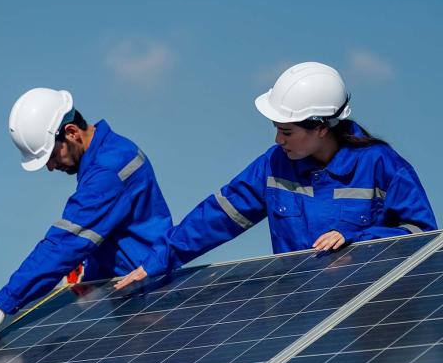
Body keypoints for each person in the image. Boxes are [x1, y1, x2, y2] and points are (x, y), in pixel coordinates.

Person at [115, 62, 437, 290]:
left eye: (286, 131)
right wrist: (158, 260)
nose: (278, 140)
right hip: (298, 311)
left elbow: (421, 236)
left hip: (367, 318)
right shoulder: (274, 165)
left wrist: (358, 241)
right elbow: (217, 217)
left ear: (322, 127)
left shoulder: (381, 165)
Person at [0, 88, 172, 357]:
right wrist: (89, 276)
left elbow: (66, 242)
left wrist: (4, 302)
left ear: (71, 132)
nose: (50, 166)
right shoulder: (109, 152)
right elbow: (108, 232)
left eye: (51, 155)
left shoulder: (107, 170)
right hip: (131, 292)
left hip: (149, 299)